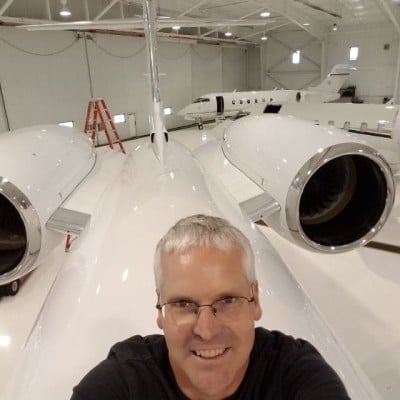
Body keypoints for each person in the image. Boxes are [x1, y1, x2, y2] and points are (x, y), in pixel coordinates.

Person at [71, 214, 350, 400]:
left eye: (227, 301)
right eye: (183, 304)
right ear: (159, 309)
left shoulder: (296, 376)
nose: (206, 331)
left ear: (255, 301)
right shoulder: (120, 385)